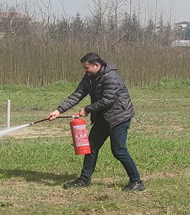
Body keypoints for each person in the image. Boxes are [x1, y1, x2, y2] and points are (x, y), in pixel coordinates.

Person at [48, 53, 143, 192]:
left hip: (119, 117)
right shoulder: (89, 77)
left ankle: (136, 182)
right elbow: (77, 94)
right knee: (91, 147)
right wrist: (58, 111)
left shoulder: (112, 77)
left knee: (119, 151)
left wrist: (87, 109)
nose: (85, 70)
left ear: (96, 65)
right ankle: (84, 180)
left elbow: (108, 100)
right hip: (103, 118)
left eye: (86, 67)